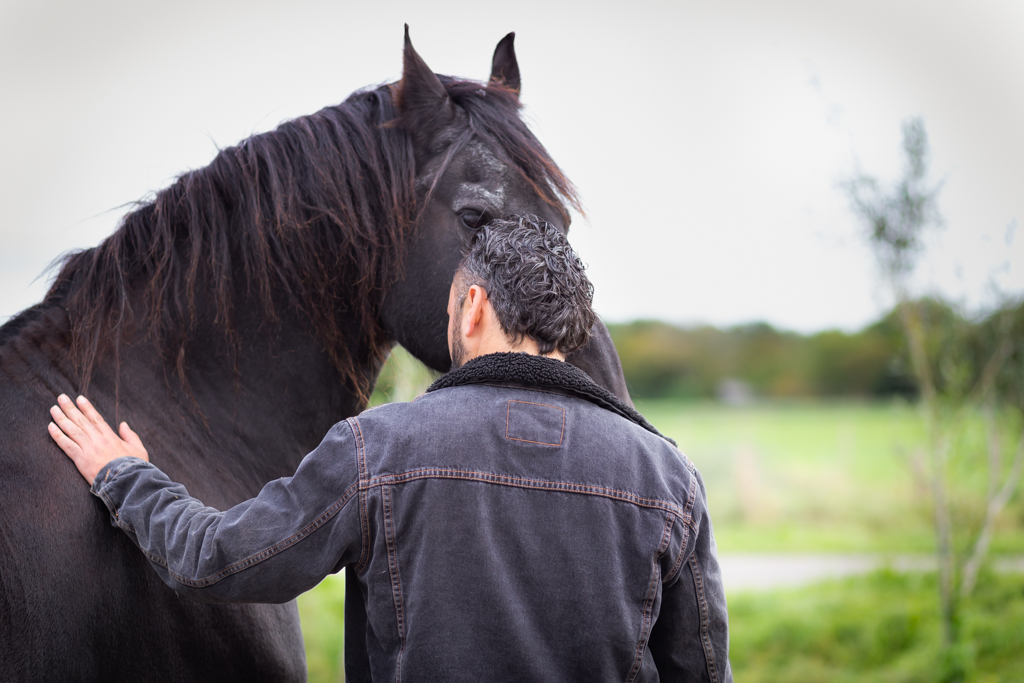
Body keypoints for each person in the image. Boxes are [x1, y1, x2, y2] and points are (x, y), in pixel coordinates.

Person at [48, 214, 731, 682]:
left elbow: (220, 559)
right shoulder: (669, 477)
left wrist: (124, 475)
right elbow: (700, 669)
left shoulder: (379, 447)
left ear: (471, 306)